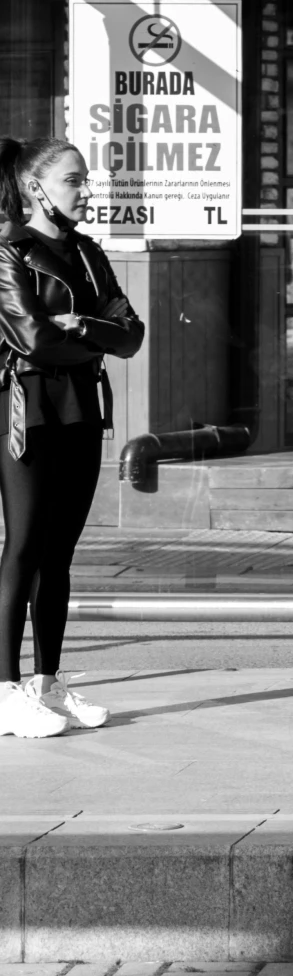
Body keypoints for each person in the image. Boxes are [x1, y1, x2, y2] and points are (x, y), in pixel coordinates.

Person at [0, 139, 143, 738]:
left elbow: (131, 334)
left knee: (59, 554)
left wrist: (84, 325)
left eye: (87, 181)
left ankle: (46, 683)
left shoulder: (88, 253)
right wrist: (97, 337)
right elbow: (32, 338)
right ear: (36, 188)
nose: (86, 191)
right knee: (25, 543)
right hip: (26, 407)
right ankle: (6, 690)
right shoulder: (11, 253)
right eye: (73, 181)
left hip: (82, 404)